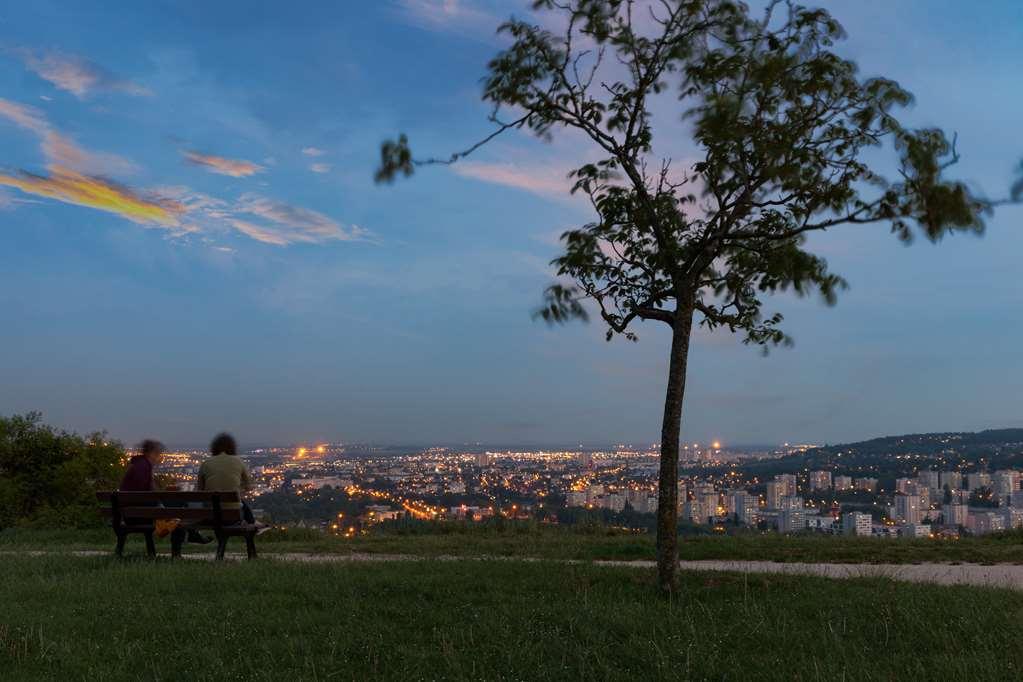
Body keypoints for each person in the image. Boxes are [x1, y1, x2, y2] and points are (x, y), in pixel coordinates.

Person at [118, 439, 211, 544]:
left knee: (176, 506)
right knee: (179, 505)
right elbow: (148, 493)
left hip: (132, 513)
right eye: (158, 454)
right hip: (138, 515)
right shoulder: (144, 466)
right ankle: (189, 537)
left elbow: (145, 492)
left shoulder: (138, 464)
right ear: (152, 453)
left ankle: (192, 534)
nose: (160, 458)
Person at [197, 432, 256, 524]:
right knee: (242, 503)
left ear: (214, 447)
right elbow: (248, 487)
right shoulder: (238, 461)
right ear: (233, 447)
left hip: (211, 516)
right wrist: (238, 489)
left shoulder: (206, 463)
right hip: (233, 516)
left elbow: (200, 491)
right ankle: (253, 524)